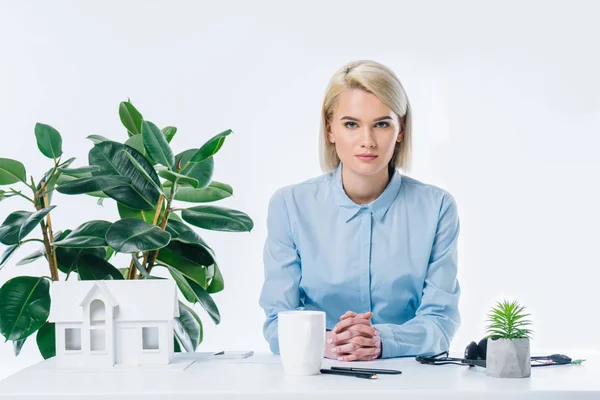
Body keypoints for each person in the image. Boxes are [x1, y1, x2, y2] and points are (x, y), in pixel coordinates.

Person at [259, 60, 461, 362]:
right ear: (330, 129)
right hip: (318, 378)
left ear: (401, 129)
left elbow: (440, 322)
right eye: (351, 124)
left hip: (410, 380)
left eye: (381, 124)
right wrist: (330, 343)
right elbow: (278, 321)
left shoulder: (437, 208)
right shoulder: (290, 205)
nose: (367, 141)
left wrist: (381, 341)